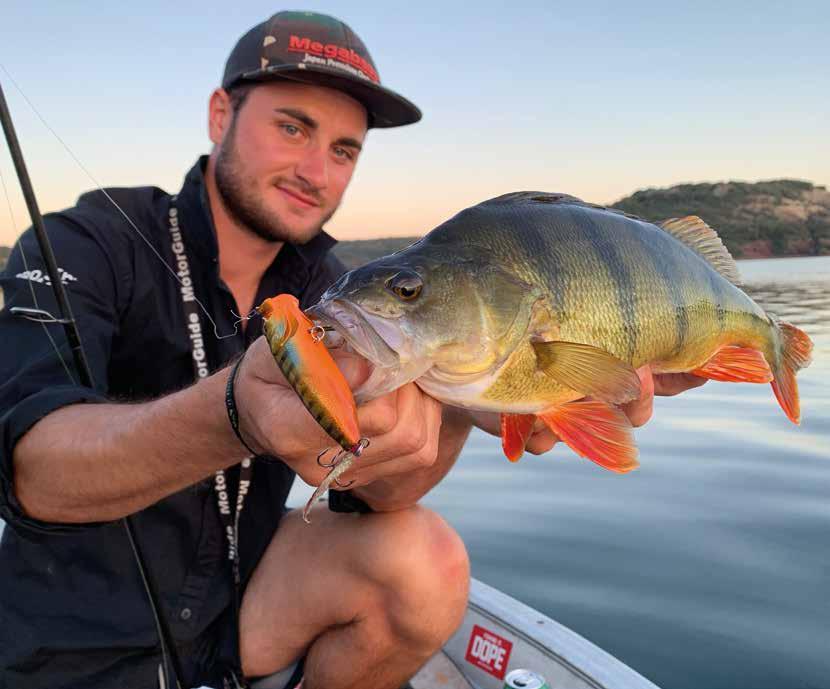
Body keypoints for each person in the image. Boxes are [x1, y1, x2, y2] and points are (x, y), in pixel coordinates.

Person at [0, 10, 705, 689]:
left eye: (344, 150)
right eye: (293, 127)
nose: (317, 170)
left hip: (239, 612)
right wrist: (233, 414)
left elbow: (380, 492)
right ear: (220, 115)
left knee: (425, 564)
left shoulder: (338, 292)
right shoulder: (88, 241)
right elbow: (30, 466)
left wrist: (462, 399)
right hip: (62, 644)